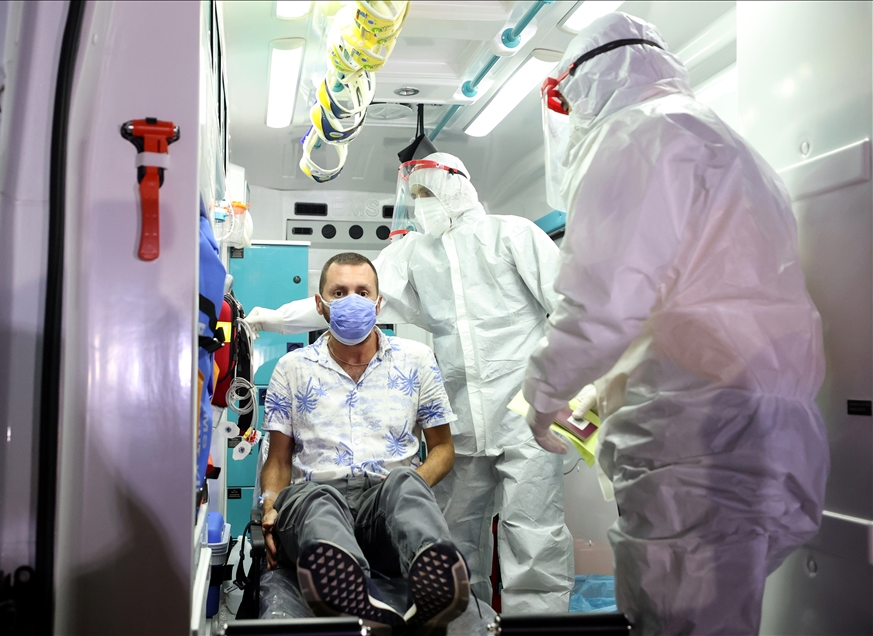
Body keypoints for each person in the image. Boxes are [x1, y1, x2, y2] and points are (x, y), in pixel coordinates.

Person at [522, 12, 830, 635]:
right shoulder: (728, 144)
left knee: (680, 622)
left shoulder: (631, 136)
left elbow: (601, 302)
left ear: (582, 84)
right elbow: (695, 300)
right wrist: (604, 391)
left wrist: (543, 396)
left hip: (699, 440)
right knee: (724, 618)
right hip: (779, 430)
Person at [248, 152, 575, 613]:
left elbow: (570, 305)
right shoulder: (414, 254)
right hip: (462, 419)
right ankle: (465, 620)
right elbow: (342, 296)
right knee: (456, 536)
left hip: (527, 409)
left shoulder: (513, 235)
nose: (422, 203)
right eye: (415, 195)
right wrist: (270, 318)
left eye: (428, 192)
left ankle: (539, 629)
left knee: (533, 530)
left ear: (457, 185)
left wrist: (575, 384)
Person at [259, 252, 470, 634]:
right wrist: (270, 507)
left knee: (405, 482)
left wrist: (411, 484)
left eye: (362, 292)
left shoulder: (416, 360)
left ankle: (438, 579)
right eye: (339, 292)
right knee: (313, 497)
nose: (351, 301)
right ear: (320, 304)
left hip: (384, 510)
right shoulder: (292, 368)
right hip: (315, 509)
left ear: (378, 302)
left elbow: (442, 449)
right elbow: (278, 460)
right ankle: (349, 590)